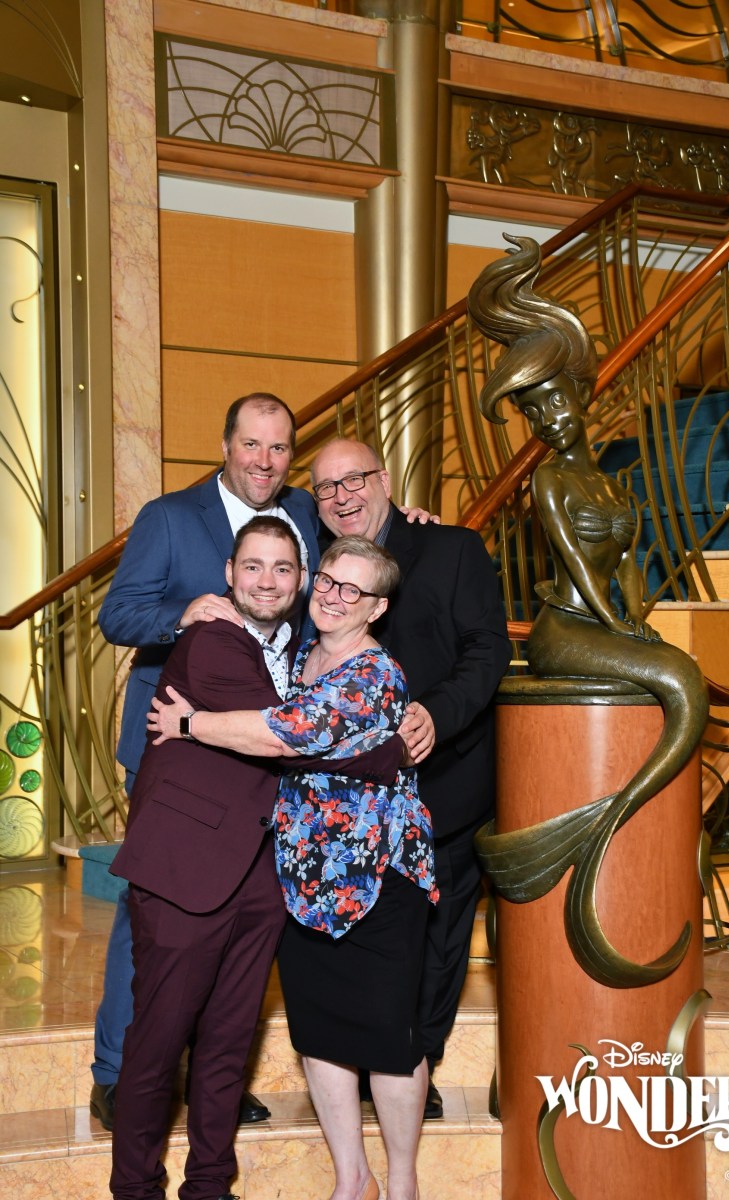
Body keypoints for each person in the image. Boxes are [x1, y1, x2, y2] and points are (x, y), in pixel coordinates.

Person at [109, 518, 404, 1200]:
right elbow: (290, 736)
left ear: (301, 581)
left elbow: (313, 723)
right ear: (228, 575)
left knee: (227, 1045)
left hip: (263, 876)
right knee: (157, 1044)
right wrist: (385, 743)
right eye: (252, 566)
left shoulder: (303, 653)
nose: (266, 581)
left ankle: (210, 1186)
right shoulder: (211, 639)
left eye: (282, 568)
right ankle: (135, 1189)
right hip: (184, 871)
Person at [468, 233, 709, 987]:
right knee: (682, 680)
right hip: (566, 630)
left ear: (578, 394)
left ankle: (605, 819)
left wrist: (637, 619)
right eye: (532, 411)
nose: (547, 419)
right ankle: (607, 820)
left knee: (675, 673)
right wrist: (619, 628)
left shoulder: (610, 481)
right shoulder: (549, 482)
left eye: (553, 401)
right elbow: (575, 565)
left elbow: (626, 564)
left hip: (605, 621)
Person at [92, 392, 320, 1129]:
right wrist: (181, 613)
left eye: (279, 448)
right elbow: (117, 614)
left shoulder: (305, 514)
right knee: (154, 917)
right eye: (251, 444)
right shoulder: (168, 517)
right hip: (177, 748)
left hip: (263, 756)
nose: (264, 461)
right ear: (225, 446)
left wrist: (405, 522)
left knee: (238, 918)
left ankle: (214, 1074)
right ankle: (120, 1072)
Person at [308, 439, 512, 1117]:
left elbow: (487, 649)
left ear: (385, 480)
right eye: (326, 487)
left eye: (354, 480)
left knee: (438, 940)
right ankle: (364, 1054)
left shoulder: (451, 548)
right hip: (343, 809)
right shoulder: (317, 566)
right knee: (359, 938)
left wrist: (436, 714)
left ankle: (413, 1063)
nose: (342, 496)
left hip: (441, 787)